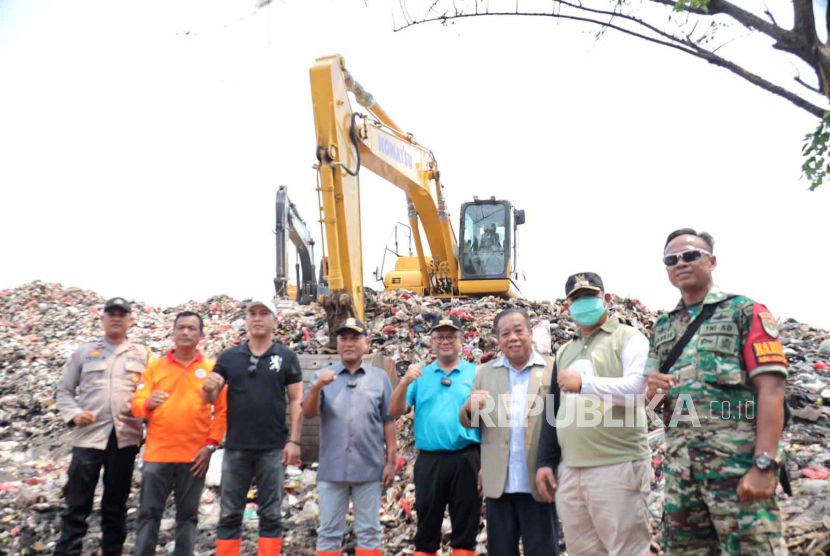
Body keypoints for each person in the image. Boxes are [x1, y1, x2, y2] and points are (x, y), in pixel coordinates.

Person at [644, 228, 788, 555]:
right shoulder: (663, 328)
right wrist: (650, 391)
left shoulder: (744, 311)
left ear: (712, 261)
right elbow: (651, 407)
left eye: (691, 255)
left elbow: (773, 388)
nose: (680, 262)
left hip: (736, 470)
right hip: (682, 479)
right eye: (671, 259)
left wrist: (765, 465)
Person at [536, 273, 651, 555]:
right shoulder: (565, 350)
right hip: (572, 470)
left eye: (590, 297)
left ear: (606, 299)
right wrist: (546, 461)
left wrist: (585, 384)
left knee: (626, 550)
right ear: (566, 306)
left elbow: (640, 390)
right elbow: (553, 409)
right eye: (576, 298)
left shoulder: (629, 338)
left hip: (617, 465)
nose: (582, 303)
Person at [201, 300, 303, 556]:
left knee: (270, 514)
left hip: (272, 449)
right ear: (246, 320)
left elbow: (295, 401)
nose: (257, 318)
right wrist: (208, 388)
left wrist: (294, 441)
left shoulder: (286, 357)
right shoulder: (230, 357)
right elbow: (209, 399)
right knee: (230, 514)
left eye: (264, 313)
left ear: (274, 320)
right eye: (252, 314)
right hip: (236, 448)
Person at [55, 297, 152, 556]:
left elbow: (151, 394)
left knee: (115, 504)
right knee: (77, 503)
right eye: (111, 314)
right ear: (103, 318)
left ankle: (112, 551)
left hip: (125, 438)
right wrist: (74, 414)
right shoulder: (85, 352)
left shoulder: (141, 355)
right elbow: (64, 390)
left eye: (122, 314)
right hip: (88, 437)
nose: (117, 318)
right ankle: (68, 551)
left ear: (131, 320)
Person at [459, 308, 558, 556]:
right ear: (498, 340)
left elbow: (561, 423)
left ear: (529, 333)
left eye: (518, 331)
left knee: (543, 551)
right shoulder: (486, 373)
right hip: (499, 483)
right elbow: (472, 422)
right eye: (505, 334)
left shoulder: (551, 369)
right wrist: (469, 410)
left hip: (538, 481)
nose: (512, 338)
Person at [131, 311, 227, 556]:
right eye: (181, 327)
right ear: (173, 332)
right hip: (157, 456)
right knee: (149, 514)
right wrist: (148, 403)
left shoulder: (212, 369)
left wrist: (210, 445)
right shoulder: (155, 368)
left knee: (187, 516)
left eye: (191, 328)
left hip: (194, 458)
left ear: (201, 335)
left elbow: (223, 411)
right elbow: (136, 403)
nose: (185, 332)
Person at [301, 317, 397, 556]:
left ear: (367, 343)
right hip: (333, 469)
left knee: (369, 531)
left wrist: (391, 461)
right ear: (337, 343)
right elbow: (309, 412)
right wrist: (315, 388)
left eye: (355, 337)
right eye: (343, 338)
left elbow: (389, 421)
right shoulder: (324, 376)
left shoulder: (379, 378)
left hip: (370, 468)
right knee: (329, 532)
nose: (349, 343)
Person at [388, 315, 480, 556]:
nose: (445, 341)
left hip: (467, 459)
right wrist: (404, 381)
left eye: (451, 336)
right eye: (440, 337)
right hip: (429, 461)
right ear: (431, 341)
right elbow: (395, 410)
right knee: (427, 529)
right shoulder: (420, 375)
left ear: (462, 340)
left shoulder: (476, 373)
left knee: (466, 528)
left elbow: (488, 422)